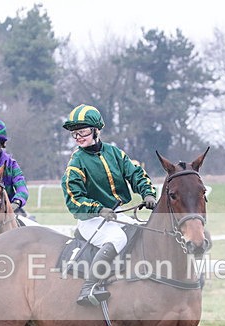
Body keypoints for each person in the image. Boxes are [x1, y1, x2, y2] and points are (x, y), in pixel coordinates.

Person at [61, 104, 156, 306]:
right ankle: (88, 287)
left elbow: (135, 174)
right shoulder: (76, 162)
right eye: (74, 134)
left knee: (142, 232)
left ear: (96, 130)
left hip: (117, 214)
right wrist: (98, 209)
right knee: (117, 238)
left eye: (82, 132)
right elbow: (73, 198)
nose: (78, 137)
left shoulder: (115, 153)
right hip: (90, 219)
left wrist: (147, 193)